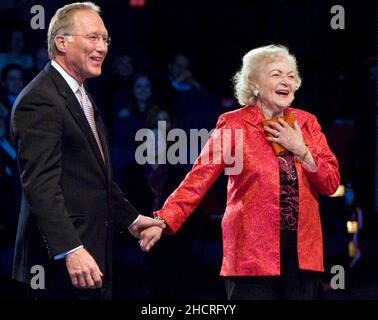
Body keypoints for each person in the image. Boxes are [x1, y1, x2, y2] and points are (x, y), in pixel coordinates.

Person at [140, 44, 340, 300]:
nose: (286, 81)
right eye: (277, 74)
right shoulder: (234, 124)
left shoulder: (307, 123)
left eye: (291, 75)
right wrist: (164, 219)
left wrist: (302, 150)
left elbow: (331, 183)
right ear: (255, 83)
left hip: (302, 254)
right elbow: (199, 178)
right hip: (252, 252)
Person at [10, 2, 164, 300]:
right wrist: (70, 249)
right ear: (61, 42)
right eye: (92, 37)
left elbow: (93, 176)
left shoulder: (80, 95)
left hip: (90, 255)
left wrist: (131, 219)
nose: (102, 47)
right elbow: (39, 186)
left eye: (105, 39)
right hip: (60, 266)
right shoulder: (41, 99)